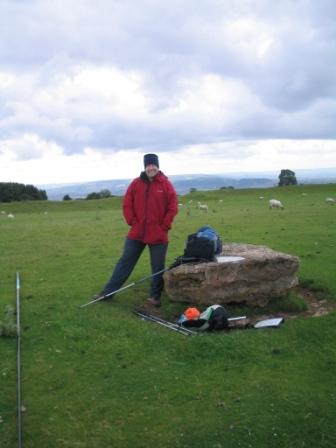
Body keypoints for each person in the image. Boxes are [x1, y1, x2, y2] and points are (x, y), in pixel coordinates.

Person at [94, 153, 178, 307]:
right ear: (145, 167)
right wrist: (133, 222)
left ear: (158, 167)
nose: (151, 168)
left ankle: (154, 297)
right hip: (137, 233)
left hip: (158, 234)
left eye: (153, 165)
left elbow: (172, 207)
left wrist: (164, 226)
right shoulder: (136, 184)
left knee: (157, 267)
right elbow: (127, 204)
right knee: (125, 262)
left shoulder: (166, 185)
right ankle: (108, 293)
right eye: (148, 165)